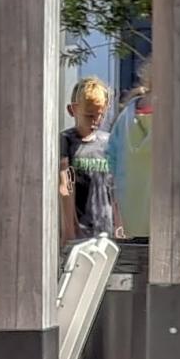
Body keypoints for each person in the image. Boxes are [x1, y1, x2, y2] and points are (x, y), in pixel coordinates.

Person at [59, 76, 117, 242]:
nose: (95, 121)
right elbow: (65, 186)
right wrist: (69, 230)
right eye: (89, 115)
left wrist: (119, 225)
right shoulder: (66, 141)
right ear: (73, 110)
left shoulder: (108, 143)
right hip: (78, 230)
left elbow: (115, 187)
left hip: (105, 228)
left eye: (100, 115)